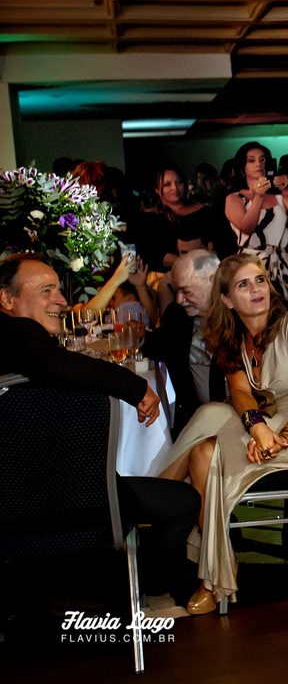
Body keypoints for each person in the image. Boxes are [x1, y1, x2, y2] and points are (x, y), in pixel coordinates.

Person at [0, 254, 198, 607]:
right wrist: (136, 387)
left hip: (17, 504)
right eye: (47, 291)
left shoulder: (21, 347)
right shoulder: (16, 334)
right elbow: (61, 366)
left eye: (59, 290)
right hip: (71, 500)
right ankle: (152, 586)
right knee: (183, 501)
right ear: (6, 299)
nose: (61, 301)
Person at [157, 254, 288, 613]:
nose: (256, 289)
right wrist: (256, 428)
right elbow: (240, 393)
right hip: (269, 422)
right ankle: (219, 565)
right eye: (243, 284)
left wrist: (279, 438)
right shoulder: (231, 336)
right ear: (225, 299)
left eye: (259, 280)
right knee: (206, 437)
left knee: (207, 459)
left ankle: (160, 511)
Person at [141, 250, 226, 439]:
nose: (179, 299)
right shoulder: (177, 315)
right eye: (176, 291)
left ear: (213, 281)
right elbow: (158, 345)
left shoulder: (239, 317)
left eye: (186, 291)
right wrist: (138, 336)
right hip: (192, 424)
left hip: (235, 422)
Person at [225, 142, 288, 304]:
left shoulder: (278, 197)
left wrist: (286, 189)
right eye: (252, 160)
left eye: (262, 160)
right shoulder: (235, 198)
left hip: (282, 263)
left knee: (287, 309)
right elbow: (247, 227)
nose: (259, 164)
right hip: (250, 263)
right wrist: (258, 196)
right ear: (243, 167)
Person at [139, 165, 216, 275]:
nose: (175, 188)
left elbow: (219, 241)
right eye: (167, 184)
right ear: (156, 189)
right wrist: (191, 265)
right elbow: (155, 254)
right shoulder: (152, 219)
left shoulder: (204, 211)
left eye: (179, 182)